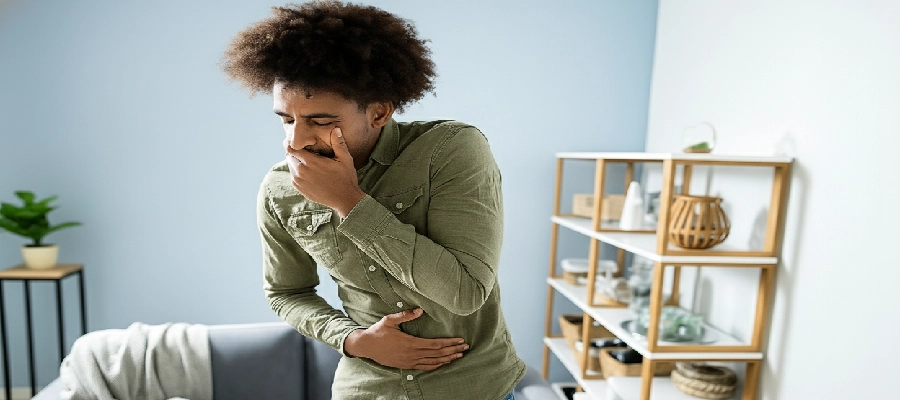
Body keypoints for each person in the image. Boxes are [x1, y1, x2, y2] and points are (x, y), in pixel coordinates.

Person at [222, 2, 524, 399]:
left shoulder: (451, 150)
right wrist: (353, 339)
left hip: (474, 388)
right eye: (287, 119)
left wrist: (349, 202)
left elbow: (465, 293)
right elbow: (286, 293)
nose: (296, 141)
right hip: (367, 388)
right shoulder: (280, 189)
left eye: (321, 121)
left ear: (379, 111)